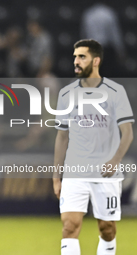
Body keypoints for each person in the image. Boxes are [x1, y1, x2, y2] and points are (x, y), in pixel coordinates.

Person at [53, 39, 134, 255]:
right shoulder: (66, 94)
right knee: (69, 226)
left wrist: (115, 160)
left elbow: (127, 132)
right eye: (75, 57)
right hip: (74, 171)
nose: (76, 61)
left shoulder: (115, 92)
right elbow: (62, 137)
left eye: (82, 57)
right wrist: (56, 175)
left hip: (106, 173)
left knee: (107, 229)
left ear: (95, 60)